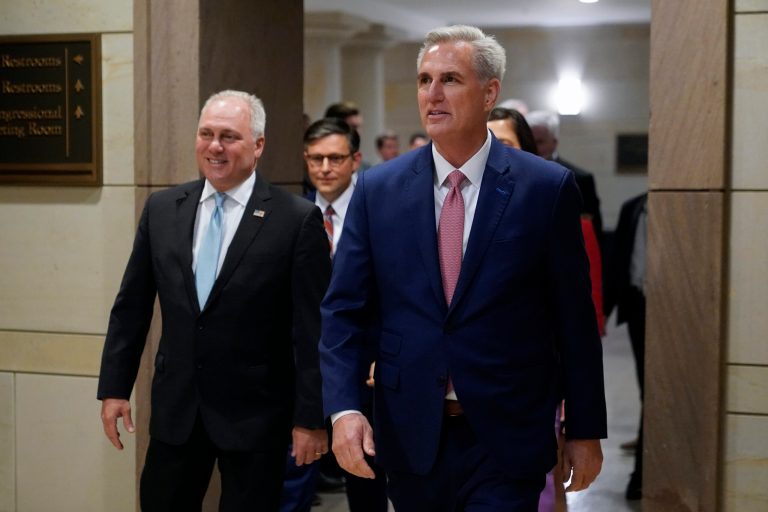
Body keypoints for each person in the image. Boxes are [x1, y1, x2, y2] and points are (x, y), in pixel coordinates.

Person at [320, 25, 607, 512]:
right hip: (410, 429)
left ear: (489, 92)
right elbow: (343, 311)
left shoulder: (544, 188)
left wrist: (583, 428)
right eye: (424, 80)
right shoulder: (378, 191)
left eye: (450, 79)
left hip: (506, 432)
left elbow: (573, 320)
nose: (432, 94)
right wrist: (344, 409)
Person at [97, 90, 331, 511]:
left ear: (258, 145)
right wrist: (115, 388)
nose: (215, 146)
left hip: (256, 417)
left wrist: (311, 418)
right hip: (177, 411)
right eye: (206, 134)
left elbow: (313, 329)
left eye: (229, 136)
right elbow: (131, 306)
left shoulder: (295, 220)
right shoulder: (163, 208)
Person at [488, 107, 605, 512]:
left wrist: (581, 418)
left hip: (531, 387)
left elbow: (575, 316)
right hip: (456, 402)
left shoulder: (548, 206)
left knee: (541, 490)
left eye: (502, 145)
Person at [281, 118, 388, 512]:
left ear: (356, 159)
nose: (324, 168)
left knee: (366, 484)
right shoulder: (291, 215)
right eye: (315, 159)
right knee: (294, 484)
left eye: (335, 158)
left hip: (362, 369)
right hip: (302, 374)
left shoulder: (377, 212)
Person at [605, 192, 648, 501]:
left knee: (656, 390)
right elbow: (618, 260)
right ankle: (642, 471)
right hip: (638, 307)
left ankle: (642, 473)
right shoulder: (632, 207)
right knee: (648, 386)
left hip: (674, 307)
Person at [525, 110, 604, 243]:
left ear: (554, 142)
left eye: (539, 142)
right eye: (529, 142)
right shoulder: (515, 174)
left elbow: (591, 234)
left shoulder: (579, 179)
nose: (534, 148)